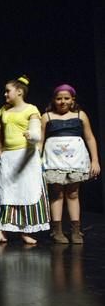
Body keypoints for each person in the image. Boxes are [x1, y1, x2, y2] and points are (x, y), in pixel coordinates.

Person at [0, 75, 50, 245]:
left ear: (19, 92)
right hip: (9, 157)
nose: (5, 94)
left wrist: (31, 136)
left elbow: (37, 134)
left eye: (7, 91)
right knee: (6, 193)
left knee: (26, 192)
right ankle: (2, 231)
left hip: (26, 156)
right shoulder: (3, 110)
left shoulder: (31, 109)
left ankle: (25, 230)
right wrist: (0, 146)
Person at [41, 84, 100, 244]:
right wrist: (36, 160)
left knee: (73, 194)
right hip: (54, 160)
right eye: (59, 98)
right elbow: (40, 140)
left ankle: (75, 230)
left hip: (76, 160)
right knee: (56, 193)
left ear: (72, 100)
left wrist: (95, 160)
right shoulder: (47, 116)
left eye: (66, 98)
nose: (62, 102)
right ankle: (57, 230)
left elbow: (90, 138)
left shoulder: (81, 115)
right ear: (54, 100)